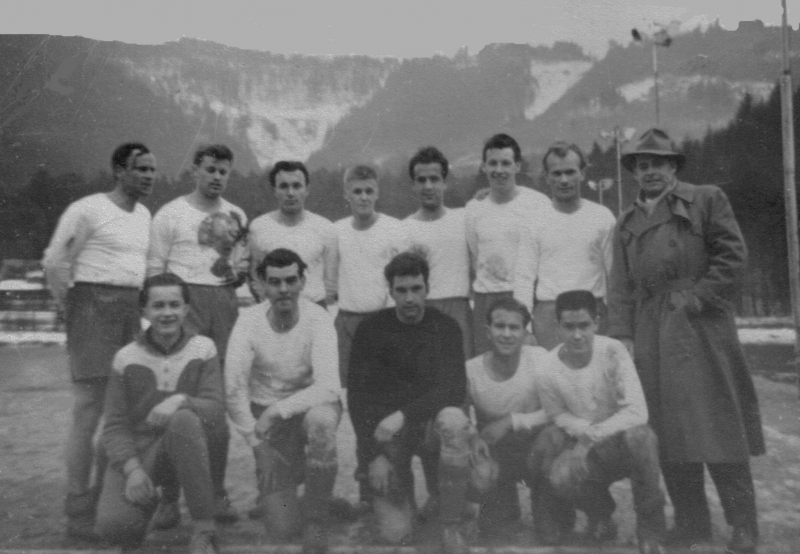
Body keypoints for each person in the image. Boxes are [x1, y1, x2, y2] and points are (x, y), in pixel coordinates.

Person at [607, 128, 765, 554]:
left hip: (700, 328)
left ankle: (743, 524)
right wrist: (622, 336)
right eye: (642, 165)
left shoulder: (706, 199)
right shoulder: (625, 223)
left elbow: (733, 256)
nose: (650, 172)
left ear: (674, 166)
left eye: (658, 163)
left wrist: (697, 300)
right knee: (667, 430)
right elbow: (619, 287)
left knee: (717, 425)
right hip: (649, 333)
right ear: (635, 173)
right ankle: (692, 524)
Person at [42, 142, 156, 540]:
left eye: (152, 169)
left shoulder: (144, 215)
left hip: (129, 310)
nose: (149, 176)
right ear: (118, 170)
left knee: (123, 411)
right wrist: (72, 309)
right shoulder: (88, 209)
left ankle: (107, 503)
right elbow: (55, 261)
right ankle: (77, 511)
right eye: (140, 168)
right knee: (89, 409)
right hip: (91, 305)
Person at [146, 143, 246, 525]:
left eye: (224, 171)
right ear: (195, 170)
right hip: (181, 305)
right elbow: (155, 269)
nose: (217, 176)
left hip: (223, 307)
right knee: (175, 402)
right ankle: (169, 497)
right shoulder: (170, 213)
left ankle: (217, 493)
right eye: (211, 169)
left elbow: (237, 270)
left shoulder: (237, 214)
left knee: (214, 407)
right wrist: (153, 325)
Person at [347, 252, 471, 554]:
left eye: (416, 289)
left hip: (430, 429)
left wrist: (403, 414)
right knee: (396, 534)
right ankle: (398, 500)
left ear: (427, 288)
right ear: (390, 291)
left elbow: (452, 389)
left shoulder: (447, 327)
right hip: (388, 437)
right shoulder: (370, 330)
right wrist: (372, 454)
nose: (410, 298)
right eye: (401, 290)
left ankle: (450, 521)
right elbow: (357, 399)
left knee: (454, 419)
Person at [94, 273, 226, 554]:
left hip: (187, 444)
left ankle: (204, 528)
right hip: (143, 453)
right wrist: (133, 471)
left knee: (184, 419)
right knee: (115, 528)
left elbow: (215, 407)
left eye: (174, 305)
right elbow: (114, 424)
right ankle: (151, 500)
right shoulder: (126, 357)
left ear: (186, 309)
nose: (167, 313)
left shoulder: (203, 348)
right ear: (144, 310)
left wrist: (181, 399)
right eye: (158, 306)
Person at [225, 248, 341, 554]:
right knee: (282, 527)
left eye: (291, 280)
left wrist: (278, 410)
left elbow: (329, 386)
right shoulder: (248, 321)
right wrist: (256, 444)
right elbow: (233, 389)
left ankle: (317, 517)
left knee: (321, 425)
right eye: (275, 282)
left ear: (303, 281)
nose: (284, 289)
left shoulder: (318, 318)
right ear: (262, 285)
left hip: (307, 409)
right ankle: (291, 486)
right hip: (265, 416)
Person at [536, 290, 666, 554]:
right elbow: (557, 414)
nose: (577, 335)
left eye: (584, 325)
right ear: (557, 326)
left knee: (641, 436)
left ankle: (651, 530)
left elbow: (637, 411)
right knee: (555, 459)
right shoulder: (548, 366)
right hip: (585, 448)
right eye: (569, 326)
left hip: (620, 444)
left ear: (596, 322)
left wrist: (590, 437)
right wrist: (583, 435)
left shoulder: (613, 351)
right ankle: (600, 514)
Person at [465, 297, 573, 544]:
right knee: (496, 532)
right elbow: (459, 414)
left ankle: (546, 506)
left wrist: (512, 421)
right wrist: (473, 436)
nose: (506, 334)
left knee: (554, 437)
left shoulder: (539, 359)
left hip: (535, 449)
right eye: (499, 326)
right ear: (487, 331)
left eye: (514, 328)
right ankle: (501, 503)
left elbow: (559, 409)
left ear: (525, 332)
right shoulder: (471, 370)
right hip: (498, 455)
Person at [513, 142, 615, 349]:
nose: (564, 180)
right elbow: (524, 277)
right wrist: (525, 329)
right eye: (557, 174)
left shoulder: (602, 217)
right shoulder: (534, 221)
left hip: (592, 313)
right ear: (547, 177)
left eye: (570, 172)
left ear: (583, 173)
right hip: (549, 317)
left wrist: (617, 324)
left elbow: (614, 275)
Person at [465, 133, 549, 354]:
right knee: (486, 371)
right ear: (484, 166)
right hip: (486, 300)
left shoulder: (537, 204)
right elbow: (476, 253)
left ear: (517, 166)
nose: (499, 170)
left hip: (522, 296)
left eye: (505, 163)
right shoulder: (474, 208)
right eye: (492, 163)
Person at [334, 164, 407, 387]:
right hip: (347, 322)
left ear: (377, 192)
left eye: (368, 191)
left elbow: (404, 279)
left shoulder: (394, 228)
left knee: (387, 386)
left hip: (384, 320)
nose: (363, 197)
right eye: (357, 192)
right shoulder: (336, 231)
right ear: (346, 194)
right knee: (348, 388)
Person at [404, 146, 473, 359]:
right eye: (421, 180)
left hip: (459, 310)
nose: (428, 186)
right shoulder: (403, 228)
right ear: (413, 185)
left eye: (434, 179)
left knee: (462, 378)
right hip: (422, 311)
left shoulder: (464, 218)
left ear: (445, 182)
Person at [248, 161, 337, 307]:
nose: (290, 193)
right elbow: (255, 277)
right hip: (273, 310)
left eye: (296, 186)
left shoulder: (325, 227)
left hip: (314, 308)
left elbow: (331, 280)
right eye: (283, 186)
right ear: (274, 190)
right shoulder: (259, 227)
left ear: (307, 189)